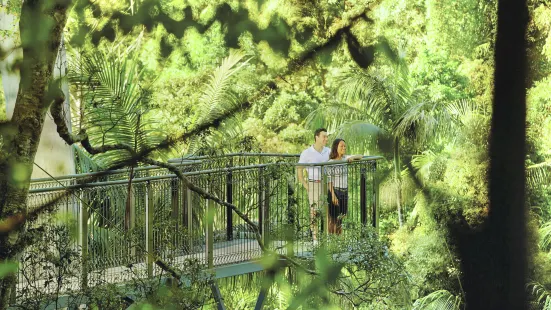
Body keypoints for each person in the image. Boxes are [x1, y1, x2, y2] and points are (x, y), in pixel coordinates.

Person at [297, 128, 330, 243]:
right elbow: (299, 169)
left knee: (327, 212)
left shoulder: (328, 151)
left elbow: (340, 157)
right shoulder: (306, 153)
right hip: (314, 184)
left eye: (327, 136)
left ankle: (327, 238)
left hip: (327, 184)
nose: (326, 138)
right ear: (317, 137)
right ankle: (315, 239)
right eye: (324, 136)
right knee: (314, 212)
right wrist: (306, 185)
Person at [326, 138, 362, 235]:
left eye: (345, 146)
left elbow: (361, 156)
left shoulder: (345, 158)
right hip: (335, 191)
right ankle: (331, 241)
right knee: (333, 219)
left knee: (341, 218)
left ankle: (339, 242)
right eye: (341, 146)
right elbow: (329, 181)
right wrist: (333, 195)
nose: (344, 148)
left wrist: (353, 157)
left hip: (344, 192)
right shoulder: (330, 162)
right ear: (335, 147)